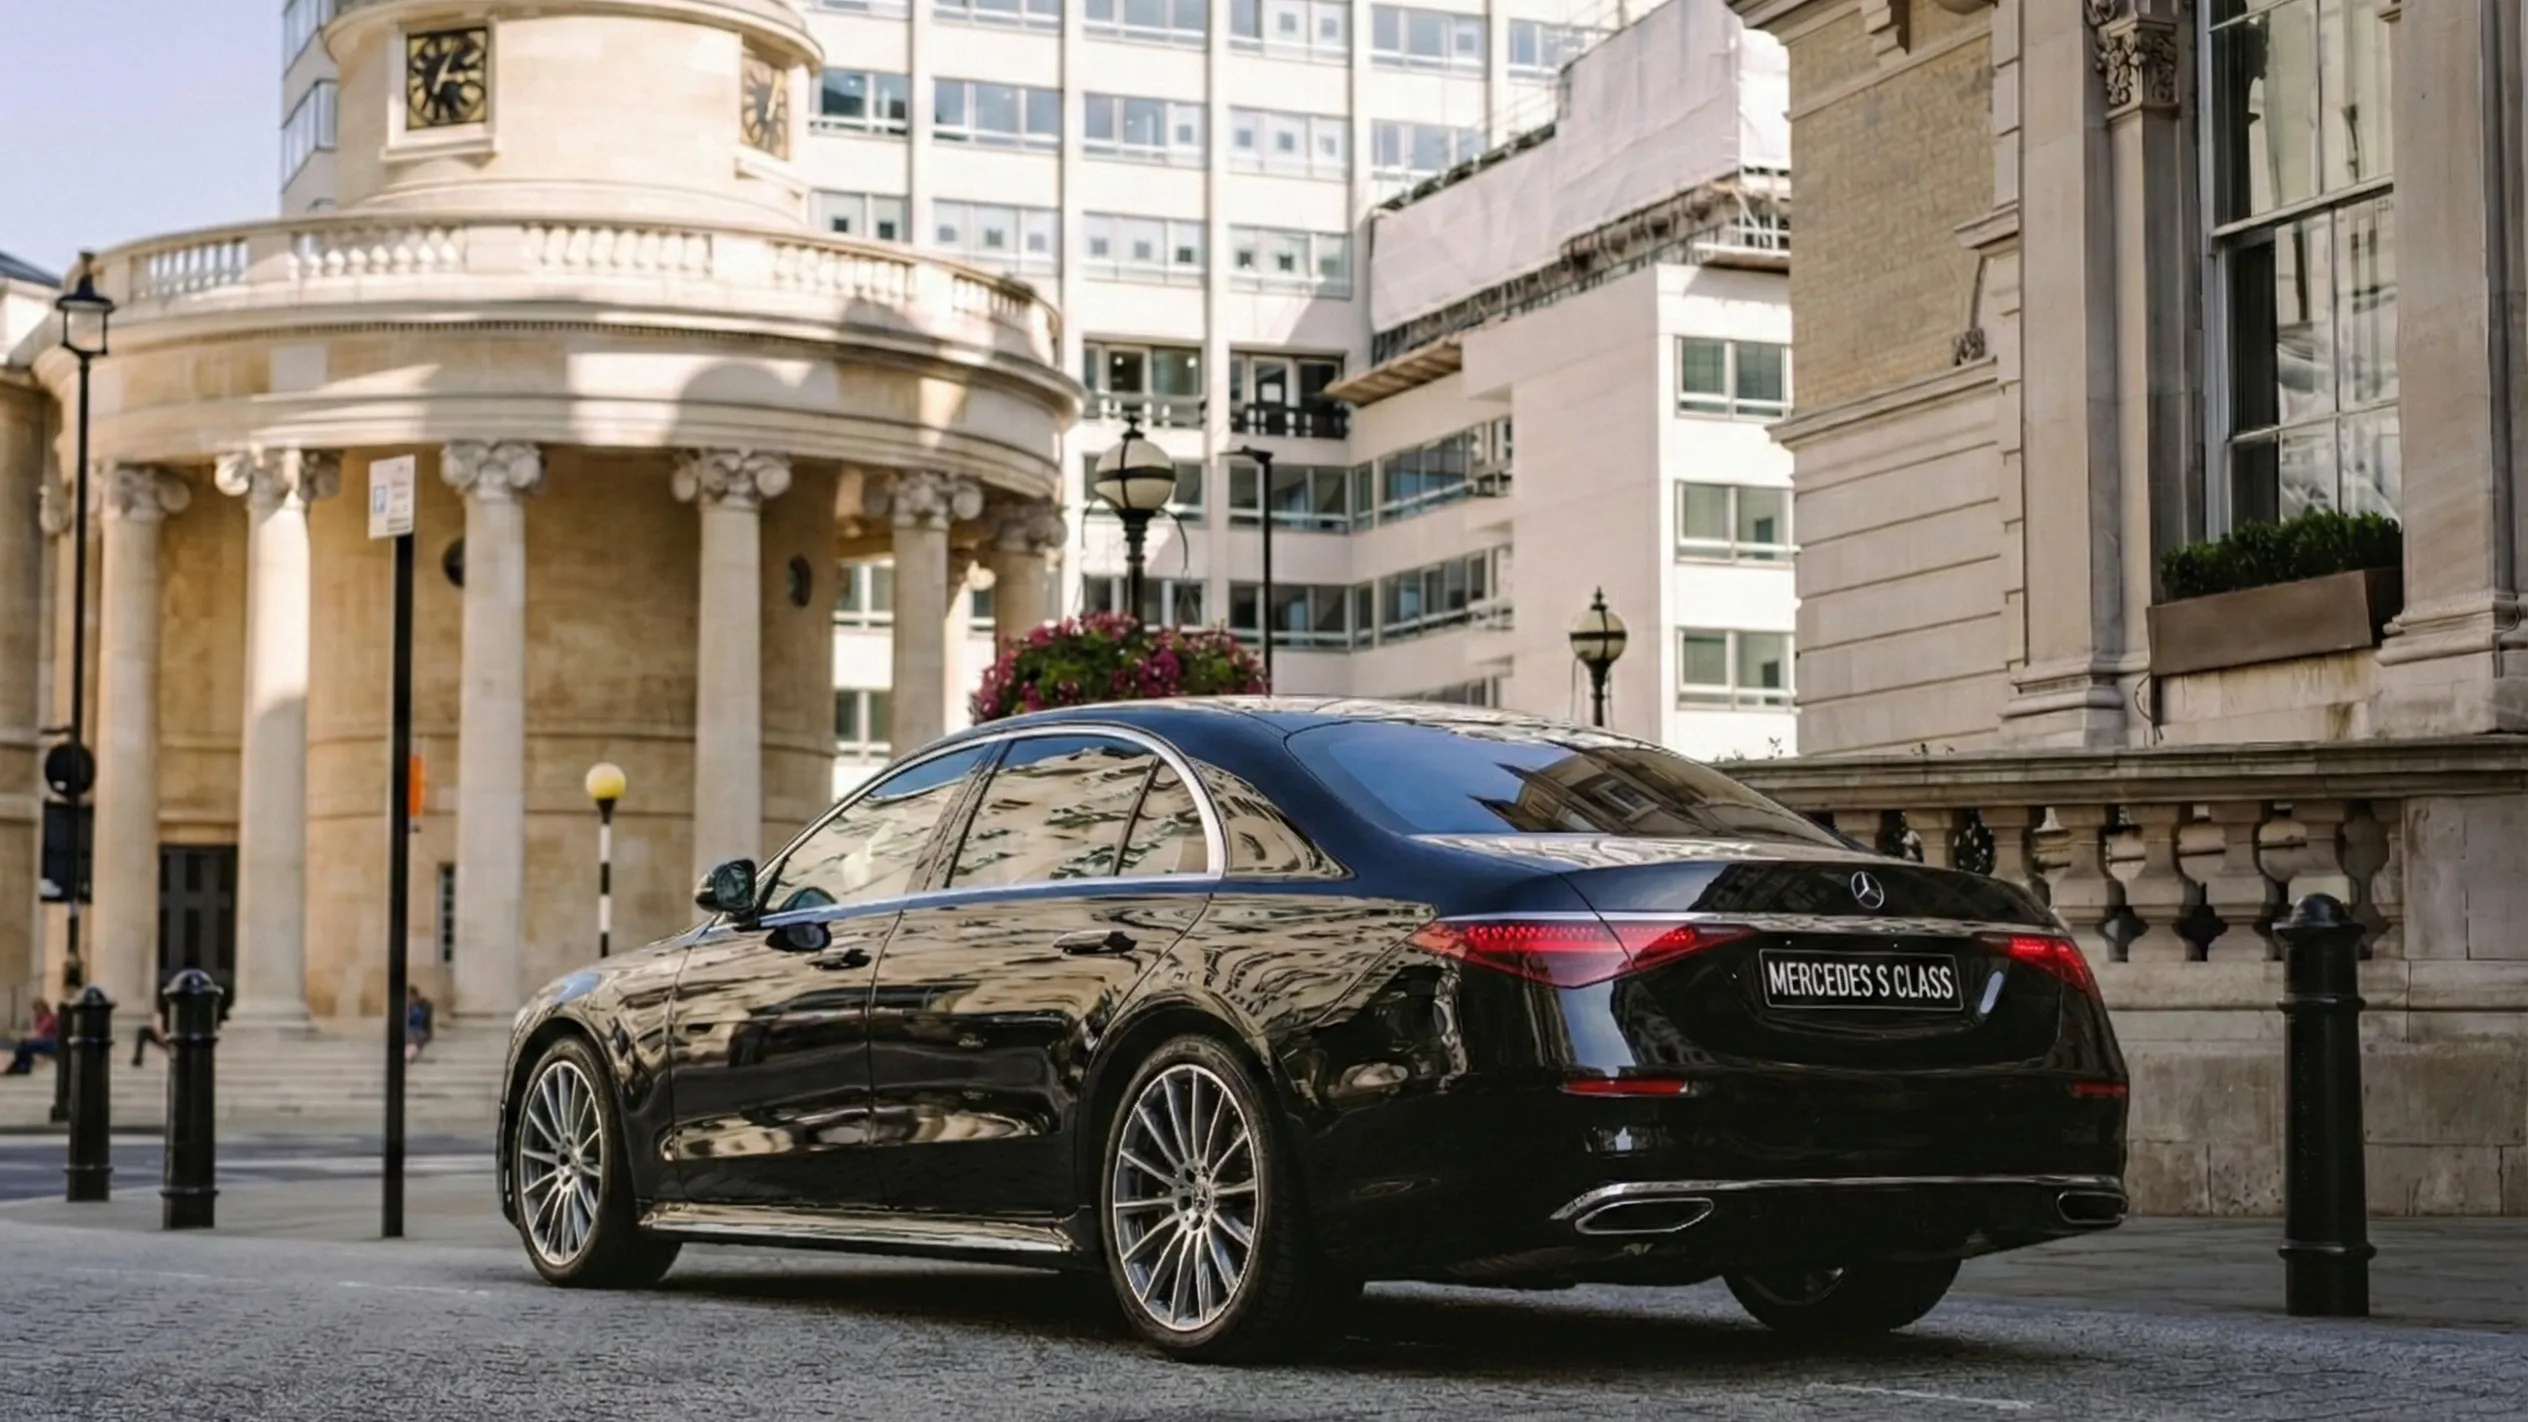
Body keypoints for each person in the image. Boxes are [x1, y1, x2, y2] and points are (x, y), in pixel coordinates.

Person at [4, 1000, 57, 1075]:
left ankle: (20, 1067)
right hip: (42, 1041)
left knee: (25, 1044)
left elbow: (41, 1032)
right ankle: (21, 1066)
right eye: (36, 1009)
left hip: (50, 1041)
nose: (37, 1011)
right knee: (23, 1044)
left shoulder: (51, 1017)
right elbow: (37, 1032)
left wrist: (30, 1037)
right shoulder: (39, 1019)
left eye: (39, 1008)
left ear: (45, 1008)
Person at [404, 985, 435, 1064]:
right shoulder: (410, 1006)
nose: (409, 1000)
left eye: (410, 998)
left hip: (420, 1032)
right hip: (411, 1033)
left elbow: (420, 1020)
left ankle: (409, 1055)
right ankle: (409, 1055)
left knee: (412, 1042)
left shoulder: (423, 1005)